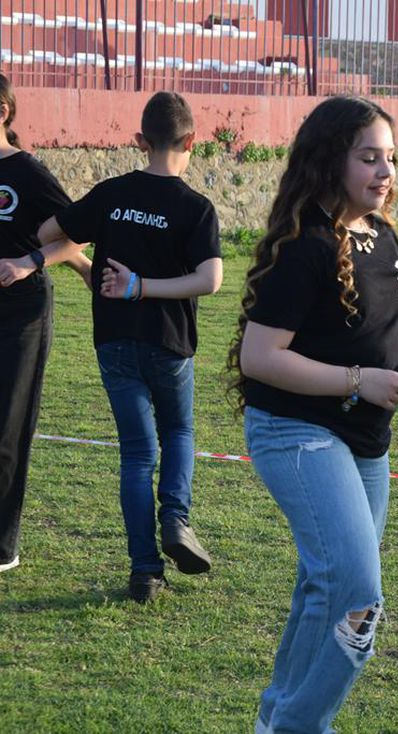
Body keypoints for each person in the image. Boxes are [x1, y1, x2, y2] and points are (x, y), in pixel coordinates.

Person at [226, 96, 398, 734]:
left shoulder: (381, 233)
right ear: (330, 160)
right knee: (358, 594)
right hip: (296, 432)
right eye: (368, 157)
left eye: (391, 157)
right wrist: (359, 380)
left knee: (324, 587)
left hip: (364, 440)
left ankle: (277, 719)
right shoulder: (305, 244)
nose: (385, 171)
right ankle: (299, 725)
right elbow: (259, 357)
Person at [38, 91, 222, 602]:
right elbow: (210, 280)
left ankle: (145, 572)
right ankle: (176, 520)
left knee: (138, 454)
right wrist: (143, 286)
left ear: (141, 141)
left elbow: (49, 231)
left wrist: (86, 253)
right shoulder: (195, 207)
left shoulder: (112, 193)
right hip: (169, 342)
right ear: (191, 141)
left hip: (115, 340)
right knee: (178, 431)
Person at [0, 72, 91, 574]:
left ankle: (2, 547)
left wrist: (29, 262)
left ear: (3, 112)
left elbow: (77, 231)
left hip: (20, 312)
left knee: (7, 428)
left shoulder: (27, 172)